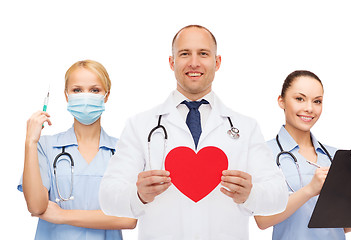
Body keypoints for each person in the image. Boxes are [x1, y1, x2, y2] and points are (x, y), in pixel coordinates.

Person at [99, 25, 288, 240]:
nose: (194, 62)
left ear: (217, 62)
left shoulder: (246, 127)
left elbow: (279, 196)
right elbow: (107, 197)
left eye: (203, 54)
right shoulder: (140, 125)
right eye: (184, 54)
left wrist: (250, 195)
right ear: (172, 62)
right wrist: (138, 195)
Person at [254, 70, 351, 239]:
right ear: (281, 101)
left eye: (317, 101)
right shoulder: (263, 153)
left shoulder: (336, 156)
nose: (309, 108)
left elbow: (338, 227)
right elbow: (262, 220)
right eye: (300, 99)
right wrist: (309, 190)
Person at [18, 60, 137, 240]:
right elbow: (36, 207)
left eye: (95, 90)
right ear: (66, 95)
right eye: (77, 90)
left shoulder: (123, 150)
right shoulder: (45, 146)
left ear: (106, 95)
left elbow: (128, 218)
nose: (86, 96)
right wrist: (30, 142)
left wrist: (62, 215)